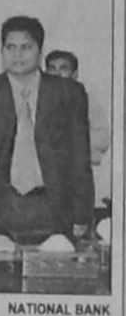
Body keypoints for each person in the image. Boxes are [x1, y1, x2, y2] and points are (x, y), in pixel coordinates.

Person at [0, 16, 93, 240]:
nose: (17, 55)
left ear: (40, 51)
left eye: (26, 47)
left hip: (53, 208)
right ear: (2, 51)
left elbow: (80, 157)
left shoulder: (68, 93)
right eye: (10, 47)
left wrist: (82, 215)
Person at [45, 49, 111, 212]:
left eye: (63, 68)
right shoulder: (38, 99)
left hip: (73, 174)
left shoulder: (86, 98)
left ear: (74, 74)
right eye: (52, 68)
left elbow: (103, 136)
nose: (57, 73)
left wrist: (73, 145)